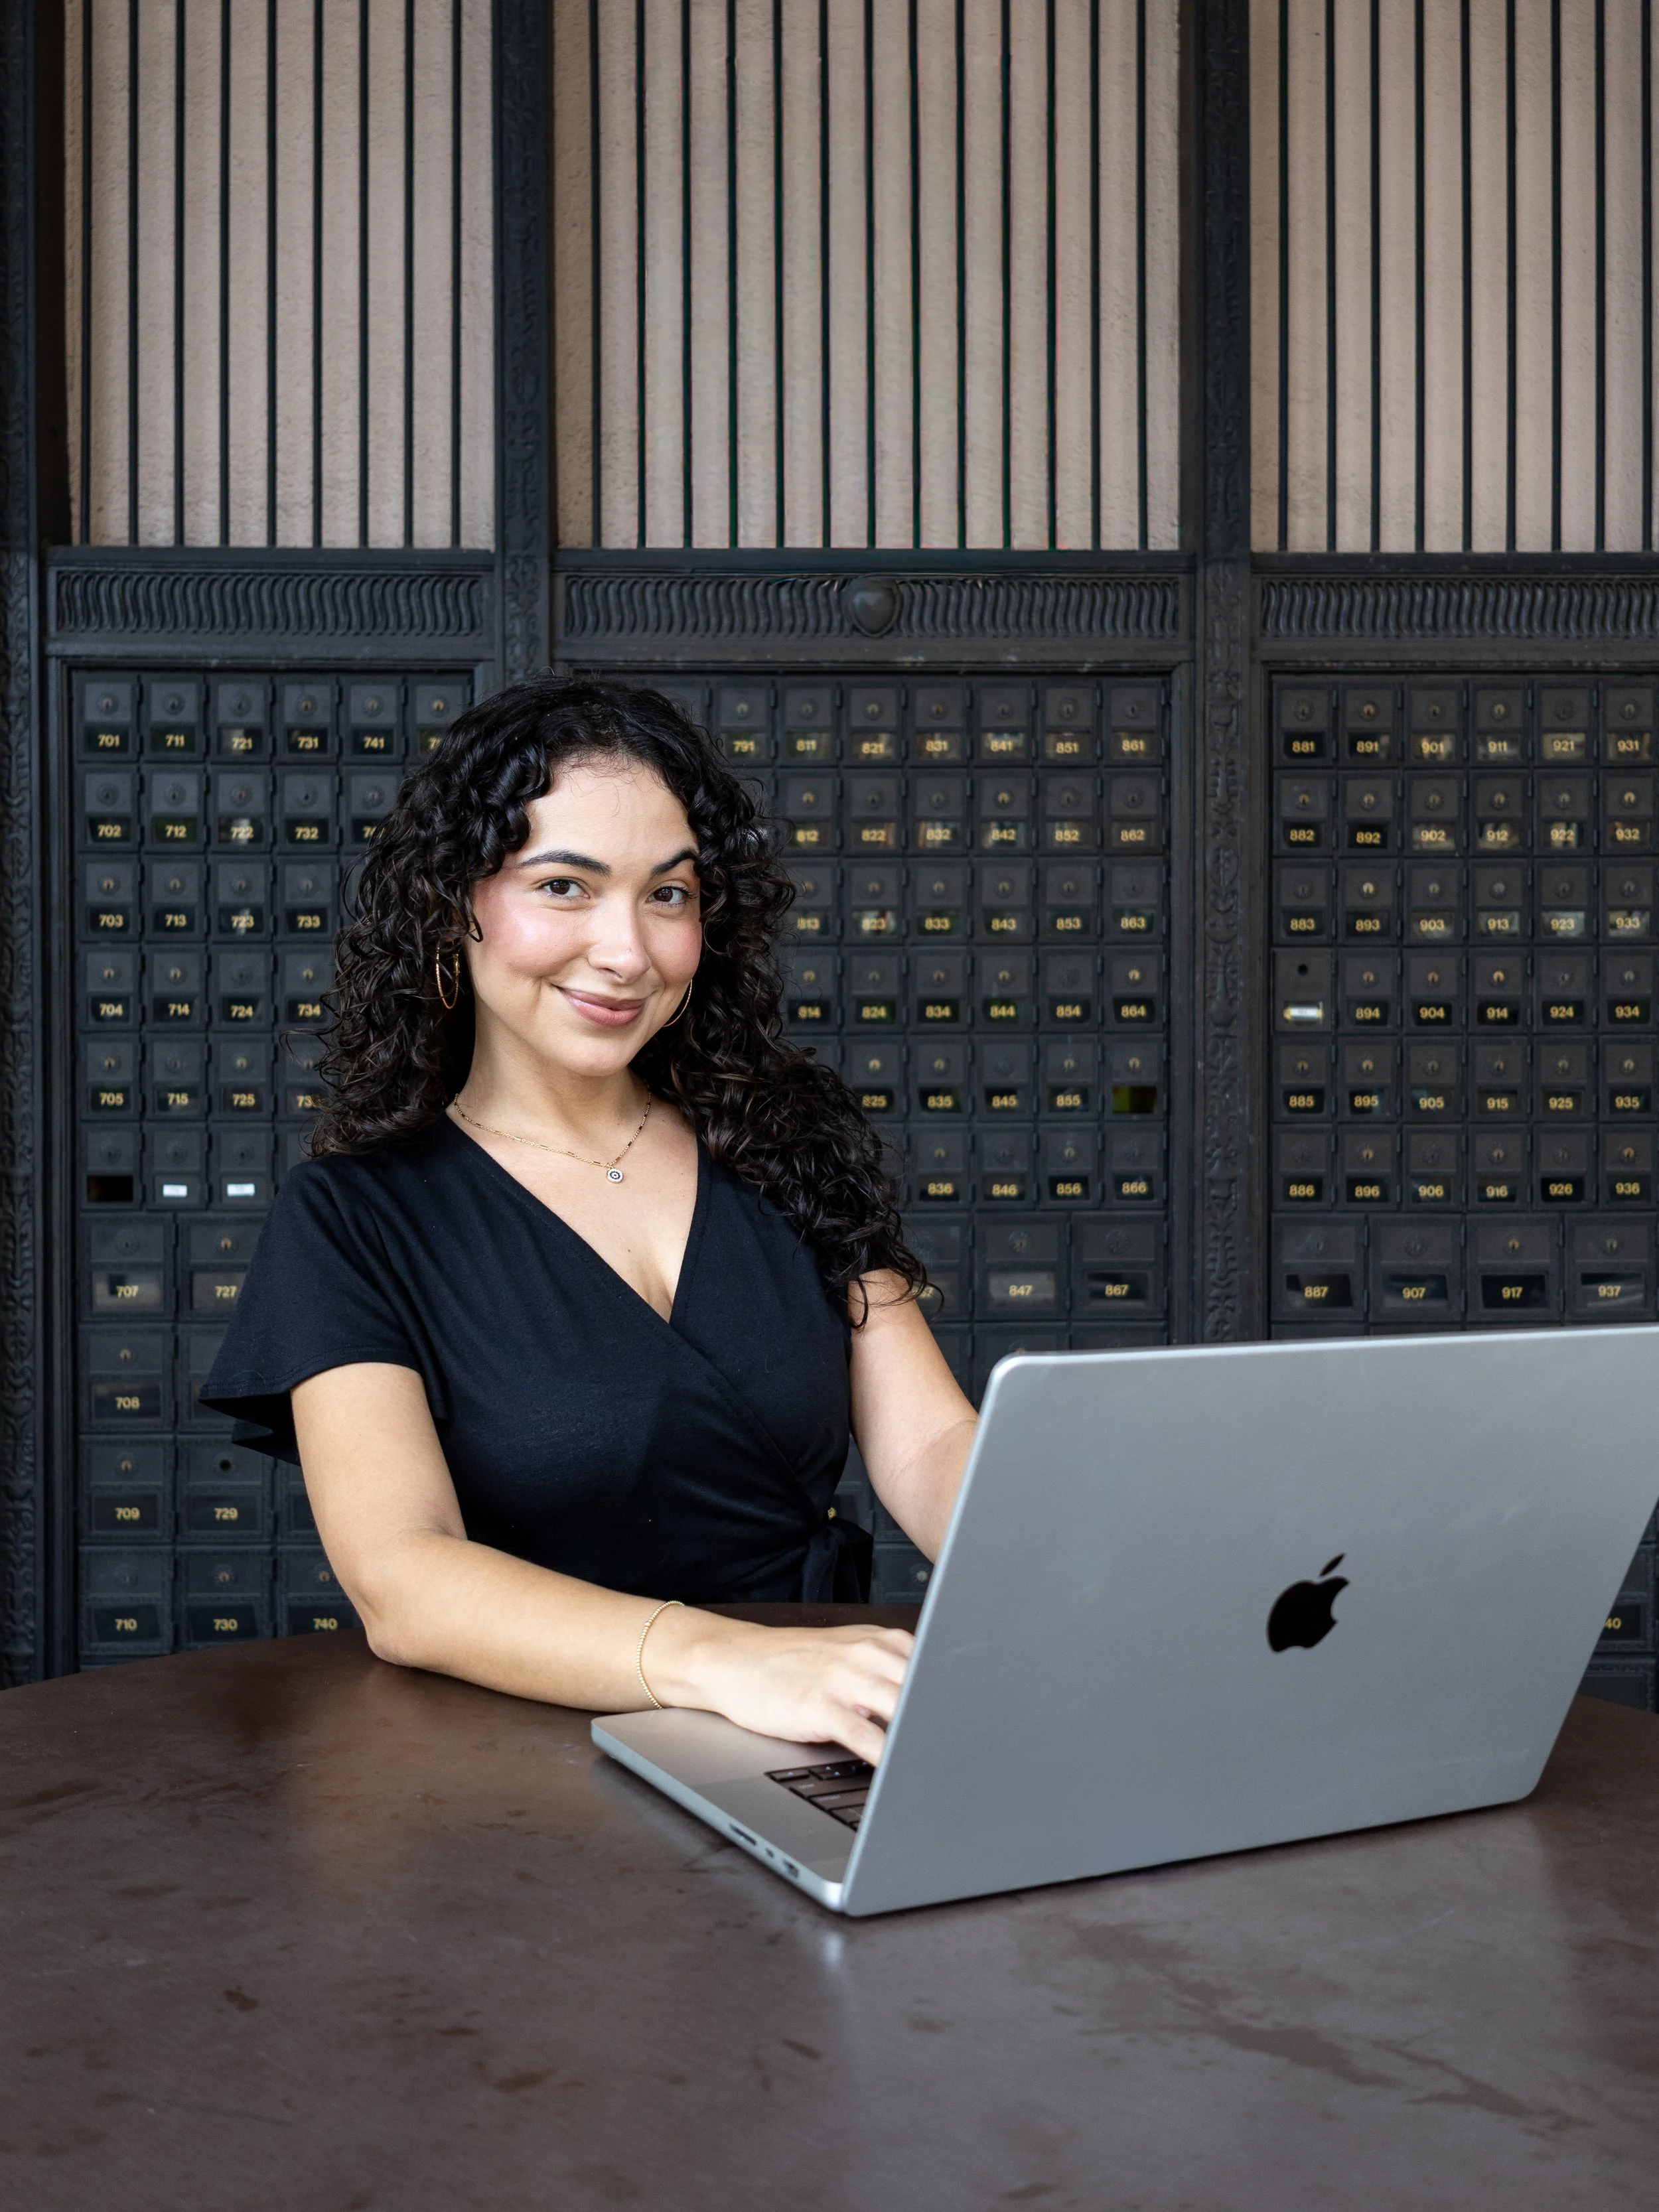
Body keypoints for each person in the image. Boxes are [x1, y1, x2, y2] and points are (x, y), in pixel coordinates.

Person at [202, 677, 976, 1763]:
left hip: (818, 1737)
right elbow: (402, 1577)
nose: (628, 951)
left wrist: (1081, 1569)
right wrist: (726, 1661)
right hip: (523, 1766)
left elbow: (934, 1444)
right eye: (565, 886)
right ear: (453, 901)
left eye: (669, 894)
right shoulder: (353, 1217)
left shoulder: (786, 1142)